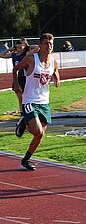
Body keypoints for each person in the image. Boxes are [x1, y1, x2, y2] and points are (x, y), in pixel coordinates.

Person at [13, 33, 60, 170]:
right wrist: (16, 83)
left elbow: (56, 72)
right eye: (46, 43)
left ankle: (25, 160)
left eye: (51, 43)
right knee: (37, 132)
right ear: (40, 45)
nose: (49, 46)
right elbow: (15, 69)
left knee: (40, 136)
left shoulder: (54, 61)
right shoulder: (31, 60)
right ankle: (25, 121)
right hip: (29, 100)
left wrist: (56, 79)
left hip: (44, 102)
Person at [0, 38, 39, 112]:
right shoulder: (13, 54)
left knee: (28, 95)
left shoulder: (27, 53)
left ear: (24, 47)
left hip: (26, 77)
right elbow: (1, 55)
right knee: (19, 95)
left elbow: (37, 48)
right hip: (17, 77)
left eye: (20, 47)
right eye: (17, 47)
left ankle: (30, 110)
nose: (18, 49)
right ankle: (22, 111)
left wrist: (28, 46)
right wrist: (9, 49)